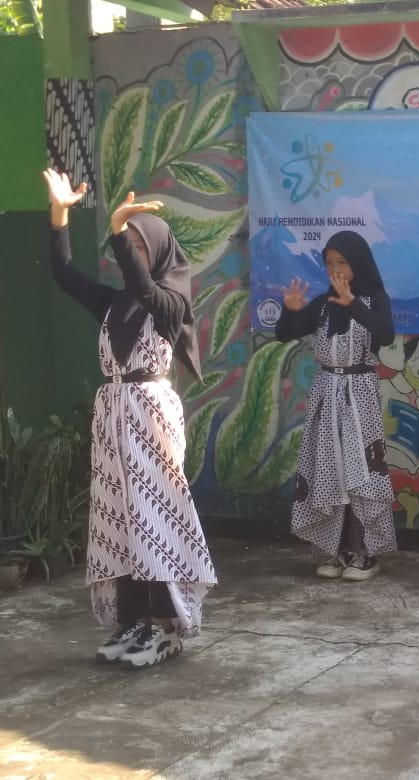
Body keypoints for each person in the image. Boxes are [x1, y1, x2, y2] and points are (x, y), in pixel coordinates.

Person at [42, 168, 216, 669]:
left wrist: (118, 230)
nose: (132, 254)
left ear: (157, 252)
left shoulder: (171, 304)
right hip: (113, 416)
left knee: (154, 517)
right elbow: (65, 274)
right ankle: (134, 617)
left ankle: (164, 622)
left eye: (140, 245)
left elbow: (145, 288)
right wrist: (59, 215)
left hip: (150, 414)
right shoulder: (113, 304)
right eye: (127, 244)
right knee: (119, 519)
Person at [276, 231, 396, 581]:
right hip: (326, 391)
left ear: (358, 263)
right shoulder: (324, 303)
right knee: (329, 467)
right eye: (329, 263)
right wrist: (290, 312)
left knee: (360, 467)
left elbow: (386, 335)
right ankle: (336, 549)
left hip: (359, 390)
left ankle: (365, 552)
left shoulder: (375, 300)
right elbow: (285, 333)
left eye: (342, 261)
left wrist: (353, 304)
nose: (335, 269)